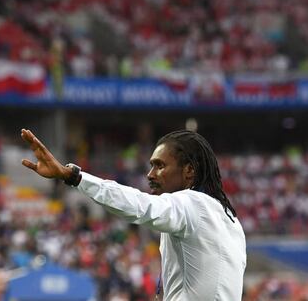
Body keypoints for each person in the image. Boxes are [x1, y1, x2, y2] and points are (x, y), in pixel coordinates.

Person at [20, 128, 246, 301]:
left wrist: (74, 176)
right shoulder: (232, 221)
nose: (150, 174)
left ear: (189, 170)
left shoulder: (190, 204)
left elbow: (140, 206)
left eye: (159, 166)